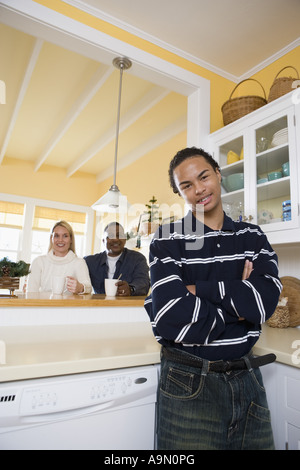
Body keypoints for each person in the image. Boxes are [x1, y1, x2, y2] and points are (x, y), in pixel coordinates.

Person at [144, 147, 282, 450]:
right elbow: (170, 315)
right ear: (180, 193)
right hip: (188, 381)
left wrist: (196, 290)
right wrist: (239, 298)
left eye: (203, 177)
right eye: (187, 186)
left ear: (218, 174)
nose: (199, 190)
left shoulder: (252, 236)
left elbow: (264, 304)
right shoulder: (167, 238)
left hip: (248, 378)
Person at [84, 222, 150, 296]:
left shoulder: (137, 259)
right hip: (99, 306)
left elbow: (144, 282)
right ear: (103, 240)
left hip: (128, 306)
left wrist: (131, 289)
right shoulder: (90, 262)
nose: (115, 239)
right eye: (111, 236)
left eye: (119, 235)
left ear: (125, 240)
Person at [27, 220, 92, 295]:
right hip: (44, 306)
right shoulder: (39, 262)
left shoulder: (79, 262)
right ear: (51, 238)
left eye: (65, 236)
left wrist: (80, 288)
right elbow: (31, 292)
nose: (60, 240)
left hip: (69, 306)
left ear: (71, 239)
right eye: (56, 236)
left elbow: (88, 288)